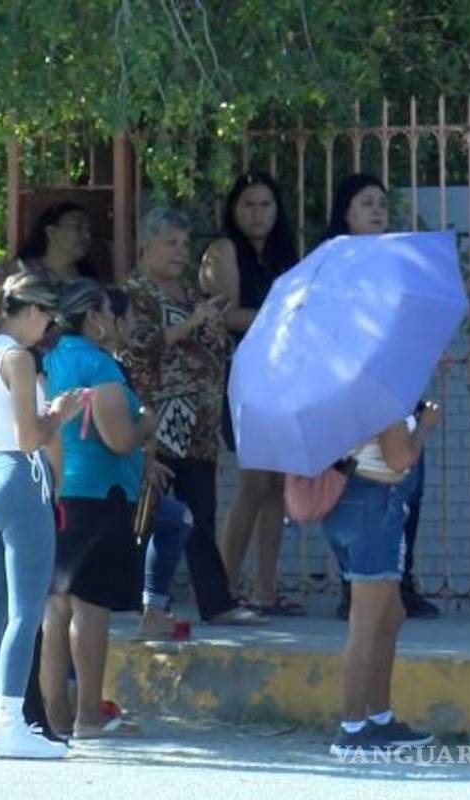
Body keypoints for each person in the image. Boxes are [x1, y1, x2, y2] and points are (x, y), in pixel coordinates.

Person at [0, 271, 81, 758]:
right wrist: (61, 413)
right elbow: (30, 438)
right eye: (45, 316)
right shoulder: (17, 358)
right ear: (28, 311)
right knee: (25, 611)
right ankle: (11, 722)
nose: (46, 327)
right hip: (19, 477)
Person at [122, 208, 265, 626]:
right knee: (150, 513)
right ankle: (135, 600)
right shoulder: (136, 295)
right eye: (171, 243)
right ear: (146, 245)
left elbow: (209, 345)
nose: (180, 252)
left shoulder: (187, 293)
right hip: (157, 422)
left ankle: (216, 602)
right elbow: (137, 349)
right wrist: (191, 325)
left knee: (200, 513)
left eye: (185, 244)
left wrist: (212, 329)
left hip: (197, 423)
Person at [323, 173, 439, 621]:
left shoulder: (397, 262)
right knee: (355, 481)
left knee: (407, 482)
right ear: (346, 213)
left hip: (398, 380)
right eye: (365, 203)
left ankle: (399, 581)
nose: (376, 210)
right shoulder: (333, 264)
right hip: (351, 386)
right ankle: (354, 584)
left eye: (382, 204)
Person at [41, 279, 151, 740]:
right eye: (110, 311)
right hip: (100, 495)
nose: (116, 321)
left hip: (61, 492)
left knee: (57, 608)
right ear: (93, 317)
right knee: (91, 608)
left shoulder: (53, 357)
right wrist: (148, 423)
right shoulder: (98, 365)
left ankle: (57, 716)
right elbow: (119, 438)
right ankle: (89, 713)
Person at [201, 174, 302, 615]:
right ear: (233, 210)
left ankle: (265, 589)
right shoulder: (224, 251)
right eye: (249, 205)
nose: (258, 213)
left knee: (278, 484)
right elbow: (225, 315)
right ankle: (221, 587)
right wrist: (281, 315)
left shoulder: (283, 256)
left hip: (281, 376)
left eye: (266, 205)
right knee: (254, 483)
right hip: (239, 374)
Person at [325, 406, 440, 756]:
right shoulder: (382, 398)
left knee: (390, 617)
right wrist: (424, 427)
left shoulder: (341, 392)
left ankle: (380, 718)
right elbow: (400, 459)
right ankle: (352, 729)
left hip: (347, 505)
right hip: (375, 507)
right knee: (366, 624)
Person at [104, 287, 194, 640]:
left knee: (174, 517)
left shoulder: (105, 364)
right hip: (104, 482)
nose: (133, 324)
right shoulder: (102, 368)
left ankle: (154, 610)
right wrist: (145, 431)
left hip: (121, 472)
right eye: (128, 317)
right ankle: (153, 610)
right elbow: (116, 430)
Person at [0, 202, 95, 291]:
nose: (87, 235)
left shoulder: (88, 282)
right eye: (78, 227)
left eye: (88, 229)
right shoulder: (16, 271)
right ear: (51, 232)